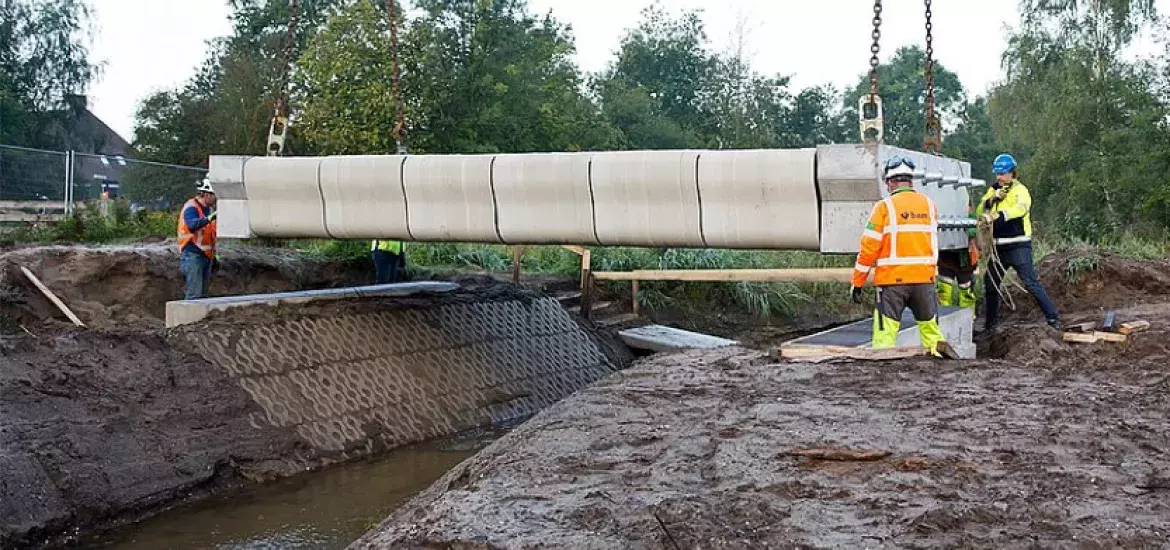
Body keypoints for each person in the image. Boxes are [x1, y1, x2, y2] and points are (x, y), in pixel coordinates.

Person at [851, 156, 958, 359]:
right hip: (924, 281)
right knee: (932, 334)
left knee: (884, 338)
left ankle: (883, 380)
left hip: (892, 283)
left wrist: (858, 282)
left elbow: (868, 248)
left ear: (889, 182)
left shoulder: (884, 207)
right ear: (910, 181)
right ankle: (944, 378)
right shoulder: (929, 206)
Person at [975, 154, 1061, 331]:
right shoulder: (993, 190)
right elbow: (979, 210)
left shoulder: (1020, 190)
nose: (999, 177)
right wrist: (991, 201)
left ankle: (1053, 318)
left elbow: (1022, 208)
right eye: (997, 173)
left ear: (1012, 173)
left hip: (1018, 245)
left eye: (1003, 173)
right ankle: (990, 324)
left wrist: (1000, 215)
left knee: (1030, 283)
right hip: (998, 248)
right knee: (990, 283)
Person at [177, 179, 219, 299]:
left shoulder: (209, 209)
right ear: (207, 194)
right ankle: (188, 317)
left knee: (202, 295)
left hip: (205, 255)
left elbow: (210, 235)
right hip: (192, 254)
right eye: (215, 196)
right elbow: (192, 225)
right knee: (194, 294)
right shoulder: (191, 207)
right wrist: (209, 218)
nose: (216, 199)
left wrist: (214, 256)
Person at [937, 204, 980, 311]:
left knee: (966, 292)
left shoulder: (969, 215)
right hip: (946, 259)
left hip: (965, 260)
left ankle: (969, 318)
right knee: (944, 291)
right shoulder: (945, 212)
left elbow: (974, 229)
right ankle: (943, 316)